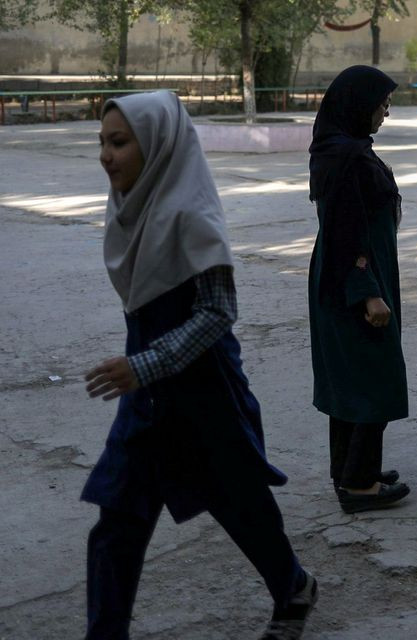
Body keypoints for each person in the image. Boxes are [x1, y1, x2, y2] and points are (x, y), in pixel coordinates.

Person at [82, 91, 317, 640]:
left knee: (241, 505)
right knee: (119, 517)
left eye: (119, 142)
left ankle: (294, 588)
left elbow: (218, 313)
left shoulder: (190, 213)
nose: (106, 156)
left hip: (202, 390)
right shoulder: (130, 208)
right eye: (102, 143)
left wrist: (146, 364)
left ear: (157, 145)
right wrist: (142, 371)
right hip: (147, 396)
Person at [307, 65, 411, 513]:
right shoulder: (348, 158)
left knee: (351, 380)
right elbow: (348, 233)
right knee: (374, 377)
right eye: (381, 105)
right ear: (359, 106)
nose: (385, 113)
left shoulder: (340, 149)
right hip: (354, 283)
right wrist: (368, 291)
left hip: (345, 279)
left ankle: (351, 471)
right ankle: (360, 486)